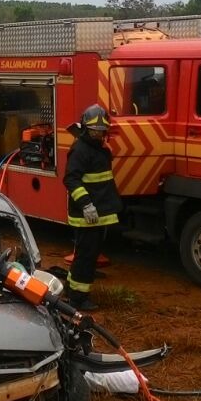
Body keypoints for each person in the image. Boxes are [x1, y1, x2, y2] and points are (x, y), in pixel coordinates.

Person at [62, 104, 121, 311]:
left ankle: (71, 288)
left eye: (102, 130)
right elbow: (71, 179)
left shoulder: (99, 149)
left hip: (99, 213)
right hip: (87, 215)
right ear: (87, 128)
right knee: (87, 256)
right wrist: (86, 205)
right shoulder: (81, 149)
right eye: (95, 129)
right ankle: (78, 299)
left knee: (86, 254)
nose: (98, 133)